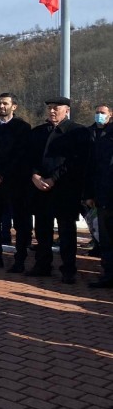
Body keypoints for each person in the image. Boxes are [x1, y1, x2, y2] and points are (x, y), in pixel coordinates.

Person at [26, 96, 90, 284]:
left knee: (66, 231)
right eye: (50, 108)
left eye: (56, 108)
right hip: (40, 189)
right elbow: (30, 157)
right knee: (42, 229)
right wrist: (35, 176)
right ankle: (43, 264)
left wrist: (53, 179)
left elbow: (76, 161)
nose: (52, 111)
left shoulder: (78, 131)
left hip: (65, 190)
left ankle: (68, 269)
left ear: (67, 110)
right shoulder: (38, 132)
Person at [0, 93, 32, 271]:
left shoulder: (23, 127)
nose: (2, 106)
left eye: (5, 103)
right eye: (0, 103)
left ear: (14, 106)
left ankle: (20, 259)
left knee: (20, 222)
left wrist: (3, 174)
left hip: (15, 183)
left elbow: (21, 155)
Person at [85, 105, 113, 288]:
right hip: (105, 196)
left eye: (103, 113)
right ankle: (109, 275)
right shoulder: (103, 139)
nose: (100, 116)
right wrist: (90, 194)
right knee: (107, 239)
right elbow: (93, 168)